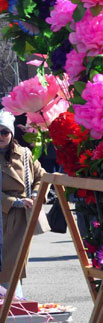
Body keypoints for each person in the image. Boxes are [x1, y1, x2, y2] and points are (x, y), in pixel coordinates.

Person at [1, 110, 43, 297]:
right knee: (6, 260)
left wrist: (34, 194)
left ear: (11, 133)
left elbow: (42, 176)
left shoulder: (25, 154)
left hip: (22, 217)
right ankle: (11, 298)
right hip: (3, 215)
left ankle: (14, 298)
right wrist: (14, 202)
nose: (1, 136)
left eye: (5, 132)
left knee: (17, 260)